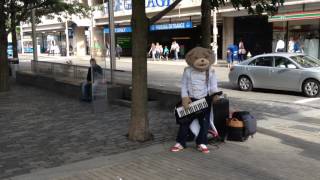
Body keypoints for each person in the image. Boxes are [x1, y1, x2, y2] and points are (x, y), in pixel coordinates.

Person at [171, 47, 220, 154]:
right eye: (197, 58)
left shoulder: (210, 71)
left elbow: (213, 86)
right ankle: (181, 142)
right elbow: (183, 85)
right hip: (190, 100)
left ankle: (202, 143)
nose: (202, 60)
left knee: (205, 123)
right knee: (185, 122)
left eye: (205, 58)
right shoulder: (188, 71)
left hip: (205, 100)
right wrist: (184, 97)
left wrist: (215, 95)